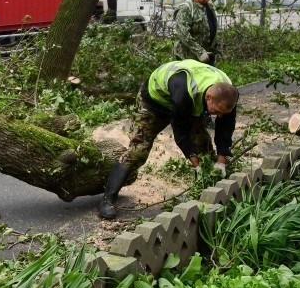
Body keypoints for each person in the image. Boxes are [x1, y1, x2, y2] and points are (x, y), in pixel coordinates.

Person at [98, 59, 239, 219]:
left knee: (203, 146)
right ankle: (107, 199)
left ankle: (210, 189)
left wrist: (221, 163)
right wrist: (196, 165)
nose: (219, 116)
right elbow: (181, 131)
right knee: (139, 151)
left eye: (223, 113)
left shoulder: (228, 93)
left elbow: (225, 129)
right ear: (208, 97)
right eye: (217, 111)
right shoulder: (185, 92)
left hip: (188, 102)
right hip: (153, 103)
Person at [173, 0, 218, 65]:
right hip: (189, 57)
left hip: (207, 55)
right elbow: (183, 34)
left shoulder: (209, 5)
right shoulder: (186, 8)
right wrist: (200, 52)